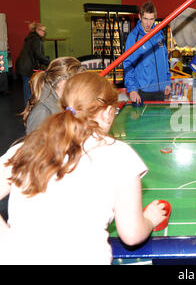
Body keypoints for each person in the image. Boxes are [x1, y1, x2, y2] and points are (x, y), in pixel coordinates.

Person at [0, 72, 166, 264]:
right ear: (107, 113)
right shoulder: (119, 155)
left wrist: (9, 244)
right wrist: (149, 220)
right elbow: (132, 234)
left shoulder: (25, 148)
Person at [123, 0, 171, 105]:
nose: (148, 23)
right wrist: (132, 90)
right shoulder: (133, 37)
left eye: (151, 19)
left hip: (161, 91)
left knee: (160, 121)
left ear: (155, 18)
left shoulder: (159, 34)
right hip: (143, 92)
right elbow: (127, 64)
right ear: (140, 17)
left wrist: (167, 81)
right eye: (145, 19)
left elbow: (164, 59)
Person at [22, 56, 86, 134]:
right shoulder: (42, 112)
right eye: (77, 84)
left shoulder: (60, 102)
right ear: (63, 82)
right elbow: (36, 145)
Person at [15, 22, 50, 106]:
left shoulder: (31, 37)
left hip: (23, 65)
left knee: (27, 86)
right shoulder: (36, 39)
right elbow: (38, 55)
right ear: (37, 30)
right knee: (28, 87)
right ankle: (28, 108)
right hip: (26, 66)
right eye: (42, 31)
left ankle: (28, 106)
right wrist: (50, 62)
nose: (44, 33)